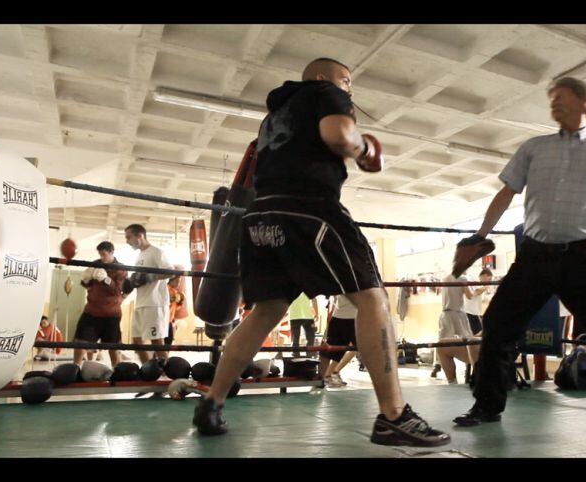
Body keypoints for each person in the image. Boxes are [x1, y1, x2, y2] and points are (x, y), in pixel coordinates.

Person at [192, 57, 449, 447]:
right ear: (322, 78)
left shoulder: (274, 116)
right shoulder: (323, 93)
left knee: (267, 310)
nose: (349, 89)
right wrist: (362, 147)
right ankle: (394, 416)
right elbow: (337, 134)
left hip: (260, 214)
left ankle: (212, 402)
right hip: (309, 207)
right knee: (373, 298)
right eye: (347, 81)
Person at [452, 75, 586, 440]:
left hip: (583, 258)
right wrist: (479, 237)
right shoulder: (534, 147)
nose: (554, 103)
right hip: (534, 256)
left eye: (561, 96)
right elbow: (506, 193)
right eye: (551, 98)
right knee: (498, 326)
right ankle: (486, 405)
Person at [123, 224, 173, 363]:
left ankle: (167, 372)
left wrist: (149, 277)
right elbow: (140, 279)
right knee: (136, 341)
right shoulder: (139, 255)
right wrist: (132, 281)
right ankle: (148, 369)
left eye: (129, 237)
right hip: (140, 303)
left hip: (154, 303)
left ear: (140, 235)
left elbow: (171, 271)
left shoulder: (156, 252)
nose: (127, 241)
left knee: (157, 341)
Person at [72, 241, 127, 366]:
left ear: (112, 252)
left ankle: (117, 371)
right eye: (100, 254)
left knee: (113, 347)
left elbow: (117, 291)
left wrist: (106, 279)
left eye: (104, 254)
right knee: (81, 343)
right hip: (92, 311)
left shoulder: (121, 269)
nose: (102, 257)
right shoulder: (95, 264)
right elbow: (87, 285)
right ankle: (74, 369)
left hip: (111, 313)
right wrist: (85, 279)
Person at [437, 270, 480, 381]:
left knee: (443, 344)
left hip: (445, 313)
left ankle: (443, 371)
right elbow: (469, 296)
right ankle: (471, 371)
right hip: (458, 313)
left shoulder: (445, 278)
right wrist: (479, 290)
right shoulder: (462, 278)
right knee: (469, 341)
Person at [318, 294, 357, 388]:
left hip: (350, 317)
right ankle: (325, 377)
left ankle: (331, 373)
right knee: (329, 350)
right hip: (342, 318)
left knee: (357, 348)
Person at [289, 292, 319, 358]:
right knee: (310, 336)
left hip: (295, 315)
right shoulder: (308, 286)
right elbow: (314, 299)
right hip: (306, 316)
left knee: (295, 338)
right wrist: (317, 313)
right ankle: (309, 354)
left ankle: (296, 354)